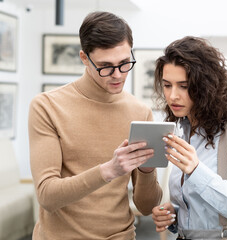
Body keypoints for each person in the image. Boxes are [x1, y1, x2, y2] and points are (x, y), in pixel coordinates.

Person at [28, 11, 162, 240]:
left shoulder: (140, 112)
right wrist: (109, 170)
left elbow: (147, 206)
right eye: (105, 66)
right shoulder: (47, 106)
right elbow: (47, 196)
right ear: (84, 57)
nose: (117, 75)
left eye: (124, 63)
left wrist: (146, 171)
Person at [151, 36, 227, 240]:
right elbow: (204, 211)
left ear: (204, 87)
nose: (172, 96)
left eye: (183, 86)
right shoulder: (185, 130)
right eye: (167, 85)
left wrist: (197, 171)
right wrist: (175, 215)